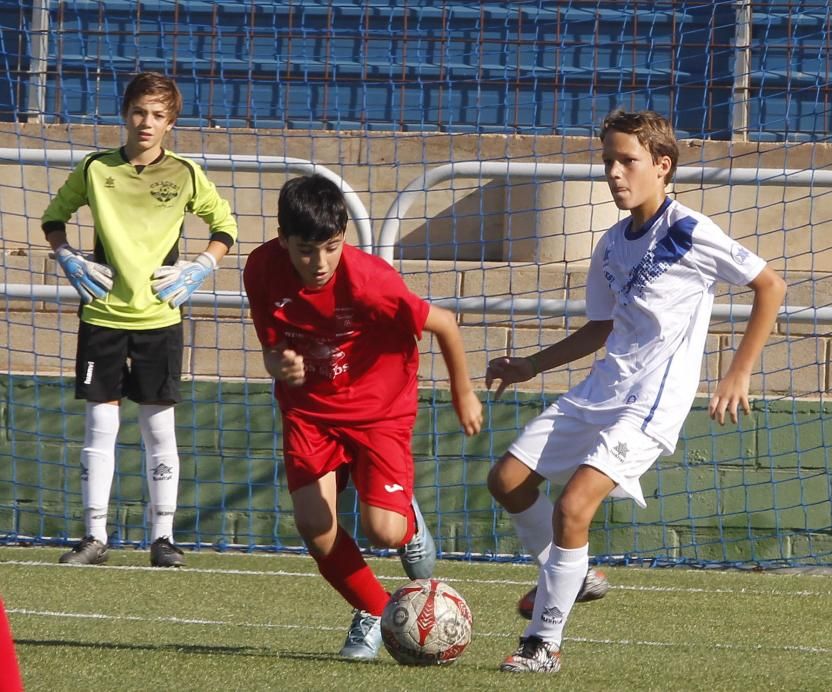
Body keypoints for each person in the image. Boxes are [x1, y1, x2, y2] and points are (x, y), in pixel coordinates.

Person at [485, 109, 786, 673]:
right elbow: (601, 328)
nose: (615, 174)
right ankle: (572, 577)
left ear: (662, 166)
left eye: (628, 161)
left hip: (652, 403)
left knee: (573, 507)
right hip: (604, 388)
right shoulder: (610, 243)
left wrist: (737, 372)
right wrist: (530, 364)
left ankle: (542, 646)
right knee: (505, 479)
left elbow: (770, 285)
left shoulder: (689, 230)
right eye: (608, 162)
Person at [242, 174, 482, 660]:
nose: (320, 263)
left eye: (331, 247)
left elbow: (445, 324)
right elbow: (272, 347)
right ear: (283, 238)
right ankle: (375, 609)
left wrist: (463, 393)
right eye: (307, 250)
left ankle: (407, 523)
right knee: (314, 526)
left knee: (383, 532)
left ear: (343, 238)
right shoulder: (261, 269)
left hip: (380, 409)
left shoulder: (372, 282)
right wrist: (278, 364)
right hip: (310, 411)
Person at [42, 71, 238, 568]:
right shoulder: (94, 169)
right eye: (138, 112)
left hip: (160, 317)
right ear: (124, 113)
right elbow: (52, 218)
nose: (146, 123)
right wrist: (67, 257)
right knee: (100, 425)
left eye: (157, 115)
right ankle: (93, 537)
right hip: (103, 313)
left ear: (171, 122)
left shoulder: (186, 174)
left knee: (158, 428)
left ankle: (162, 539)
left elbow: (225, 226)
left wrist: (200, 267)